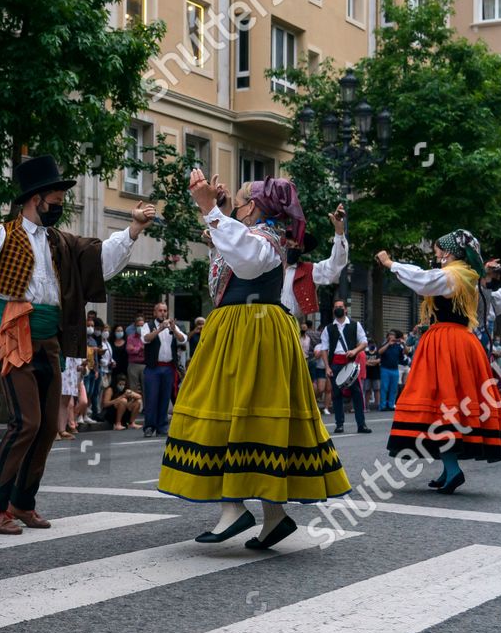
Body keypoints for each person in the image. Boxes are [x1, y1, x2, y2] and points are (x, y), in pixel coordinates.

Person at [0, 155, 153, 534]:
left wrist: (133, 229)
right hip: (13, 335)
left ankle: (22, 502)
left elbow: (100, 259)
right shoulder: (4, 234)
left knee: (45, 428)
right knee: (26, 422)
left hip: (50, 339)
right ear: (35, 198)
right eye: (55, 200)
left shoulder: (61, 242)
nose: (60, 206)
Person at [162, 174, 349, 548]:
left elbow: (246, 261)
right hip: (245, 328)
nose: (238, 203)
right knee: (246, 413)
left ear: (257, 207)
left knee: (232, 409)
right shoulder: (259, 234)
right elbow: (231, 259)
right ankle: (274, 516)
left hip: (251, 330)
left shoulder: (265, 239)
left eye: (243, 199)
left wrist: (210, 209)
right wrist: (223, 211)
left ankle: (234, 507)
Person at [376, 231, 501, 493]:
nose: (436, 254)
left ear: (449, 253)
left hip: (447, 342)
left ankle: (452, 469)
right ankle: (447, 469)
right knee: (448, 404)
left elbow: (424, 281)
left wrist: (390, 264)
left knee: (444, 404)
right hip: (460, 341)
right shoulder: (466, 275)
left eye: (439, 250)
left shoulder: (453, 275)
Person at [281, 204, 350, 321]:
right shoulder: (268, 266)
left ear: (302, 249)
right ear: (283, 243)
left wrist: (339, 231)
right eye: (290, 244)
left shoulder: (309, 270)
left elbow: (335, 265)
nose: (294, 247)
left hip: (289, 325)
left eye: (298, 246)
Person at [314, 298, 370, 433]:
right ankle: (339, 424)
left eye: (340, 306)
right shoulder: (328, 328)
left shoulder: (355, 325)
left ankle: (361, 424)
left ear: (345, 309)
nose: (338, 308)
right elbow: (324, 349)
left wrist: (355, 351)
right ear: (334, 310)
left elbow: (364, 342)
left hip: (350, 363)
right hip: (335, 364)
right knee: (336, 395)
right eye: (336, 307)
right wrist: (327, 367)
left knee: (357, 393)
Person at [140, 301, 185, 437]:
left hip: (168, 368)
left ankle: (162, 426)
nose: (163, 313)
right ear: (155, 312)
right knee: (152, 398)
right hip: (153, 368)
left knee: (165, 398)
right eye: (160, 311)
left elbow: (183, 339)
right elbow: (145, 339)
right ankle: (149, 426)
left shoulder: (172, 326)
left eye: (165, 311)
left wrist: (173, 329)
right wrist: (159, 329)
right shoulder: (148, 326)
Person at [377, 329, 405, 411]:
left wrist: (404, 344)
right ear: (388, 337)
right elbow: (379, 352)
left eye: (393, 335)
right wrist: (388, 344)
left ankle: (391, 405)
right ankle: (383, 406)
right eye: (390, 335)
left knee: (393, 389)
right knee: (384, 388)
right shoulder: (384, 344)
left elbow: (406, 353)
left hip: (395, 370)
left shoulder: (398, 346)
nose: (392, 336)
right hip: (385, 369)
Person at [126, 312, 147, 398]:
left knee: (146, 388)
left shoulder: (147, 337)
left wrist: (135, 349)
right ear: (135, 326)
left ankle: (146, 409)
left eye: (142, 325)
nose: (140, 327)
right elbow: (129, 350)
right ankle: (134, 409)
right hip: (133, 364)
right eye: (138, 325)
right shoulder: (130, 337)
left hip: (145, 364)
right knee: (133, 388)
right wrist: (140, 349)